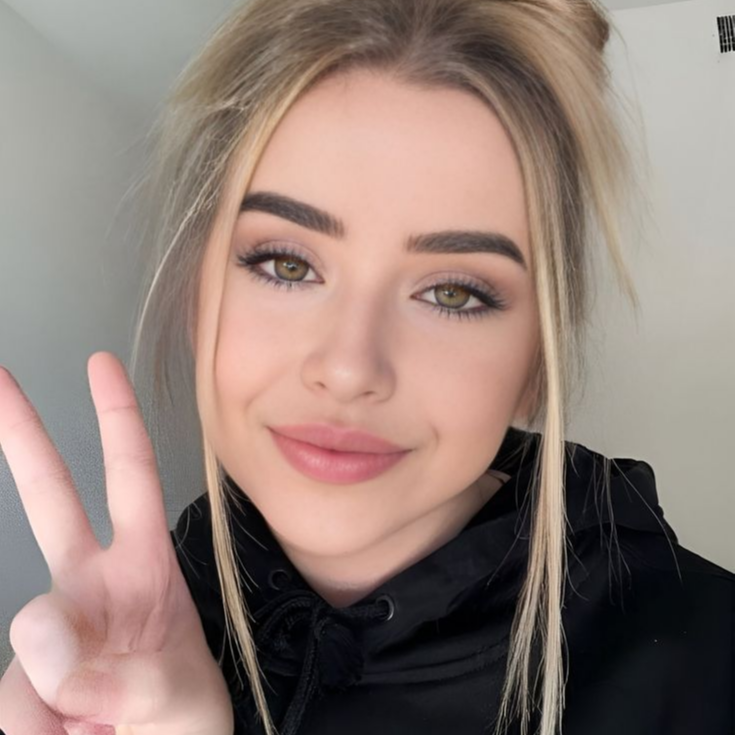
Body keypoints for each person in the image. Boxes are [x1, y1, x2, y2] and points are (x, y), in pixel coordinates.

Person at [0, 0, 732, 734]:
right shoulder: (122, 640)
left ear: (537, 361)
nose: (349, 368)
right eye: (287, 264)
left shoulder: (710, 664)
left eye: (452, 293)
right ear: (197, 295)